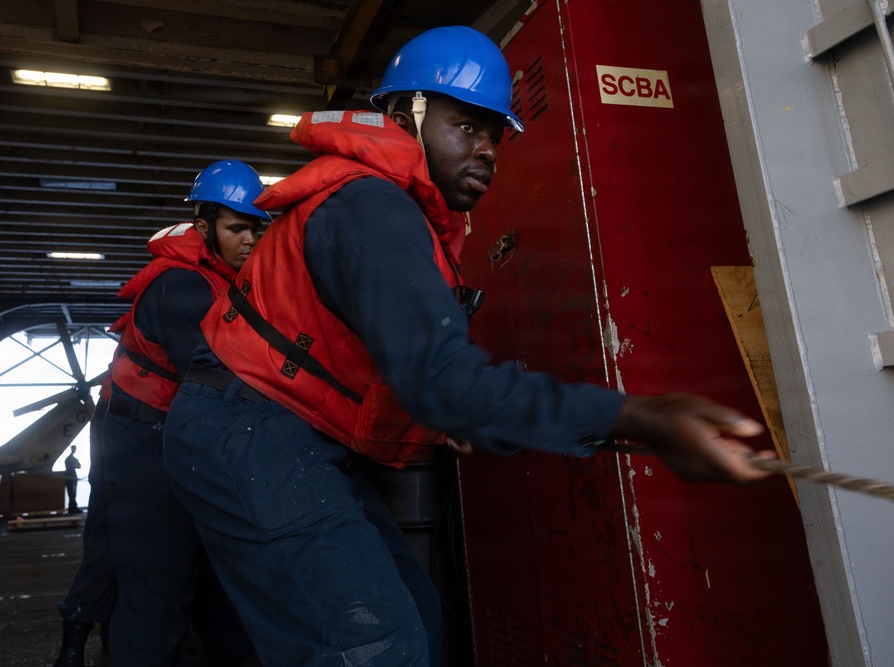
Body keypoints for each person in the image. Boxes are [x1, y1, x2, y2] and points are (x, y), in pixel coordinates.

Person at [162, 26, 773, 667]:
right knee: (374, 648)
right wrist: (646, 416)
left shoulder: (392, 210)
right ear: (405, 117)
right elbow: (443, 378)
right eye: (466, 127)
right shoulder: (371, 206)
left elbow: (405, 368)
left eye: (494, 134)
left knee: (416, 618)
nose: (486, 151)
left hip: (280, 430)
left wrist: (450, 411)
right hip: (252, 432)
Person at [102, 160, 269, 666]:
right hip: (142, 445)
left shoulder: (226, 280)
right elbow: (221, 379)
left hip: (182, 436)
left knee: (212, 580)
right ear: (203, 228)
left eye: (256, 229)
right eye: (237, 228)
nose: (250, 241)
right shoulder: (182, 288)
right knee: (156, 587)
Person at [53, 377, 115, 667]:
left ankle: (75, 644)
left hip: (109, 479)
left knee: (102, 554)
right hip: (139, 461)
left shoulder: (113, 391)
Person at [63, 445, 82, 514]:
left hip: (72, 476)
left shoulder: (73, 459)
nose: (74, 450)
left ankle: (73, 507)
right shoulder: (68, 459)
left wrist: (74, 465)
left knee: (73, 493)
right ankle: (72, 507)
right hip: (70, 477)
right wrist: (74, 465)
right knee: (71, 493)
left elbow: (79, 466)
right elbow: (73, 466)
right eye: (74, 449)